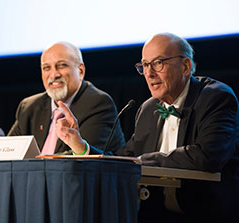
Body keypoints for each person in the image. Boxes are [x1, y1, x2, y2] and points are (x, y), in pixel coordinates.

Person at [55, 33, 239, 222]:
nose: (149, 73)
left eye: (158, 63)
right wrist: (79, 145)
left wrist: (144, 160)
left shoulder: (215, 98)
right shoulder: (148, 109)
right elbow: (125, 160)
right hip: (155, 215)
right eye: (144, 65)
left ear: (185, 66)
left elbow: (207, 156)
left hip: (206, 214)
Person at [8, 41, 125, 155]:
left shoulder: (98, 104)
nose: (54, 75)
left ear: (80, 71)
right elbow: (11, 150)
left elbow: (87, 158)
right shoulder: (29, 107)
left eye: (61, 66)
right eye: (47, 68)